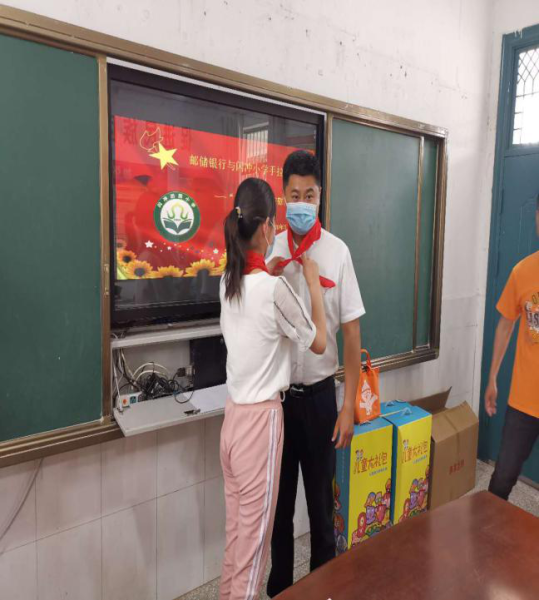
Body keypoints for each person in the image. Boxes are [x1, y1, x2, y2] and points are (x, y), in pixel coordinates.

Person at [219, 177, 327, 600]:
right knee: (254, 554)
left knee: (236, 540)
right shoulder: (273, 290)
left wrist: (270, 271)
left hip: (232, 422)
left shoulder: (227, 282)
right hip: (260, 427)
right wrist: (313, 284)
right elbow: (318, 341)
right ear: (268, 228)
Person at [266, 151, 365, 597]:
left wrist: (348, 406)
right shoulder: (272, 249)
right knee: (280, 512)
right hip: (279, 401)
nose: (302, 202)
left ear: (320, 195)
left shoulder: (337, 252)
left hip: (323, 400)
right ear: (283, 196)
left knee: (323, 512)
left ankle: (322, 590)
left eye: (309, 194)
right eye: (294, 195)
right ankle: (280, 590)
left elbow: (352, 335)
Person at [485, 195, 539, 500]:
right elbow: (505, 325)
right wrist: (492, 377)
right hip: (524, 401)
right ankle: (488, 528)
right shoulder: (523, 272)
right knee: (502, 479)